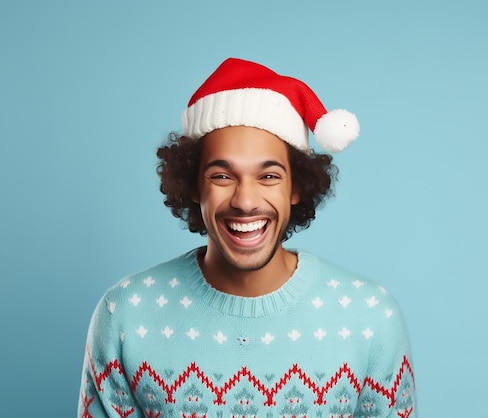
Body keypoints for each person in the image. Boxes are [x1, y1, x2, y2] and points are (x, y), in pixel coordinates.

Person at [78, 58, 417, 418]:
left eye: (269, 176)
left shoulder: (370, 318)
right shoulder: (124, 315)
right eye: (222, 176)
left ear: (296, 187)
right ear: (193, 186)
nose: (245, 201)